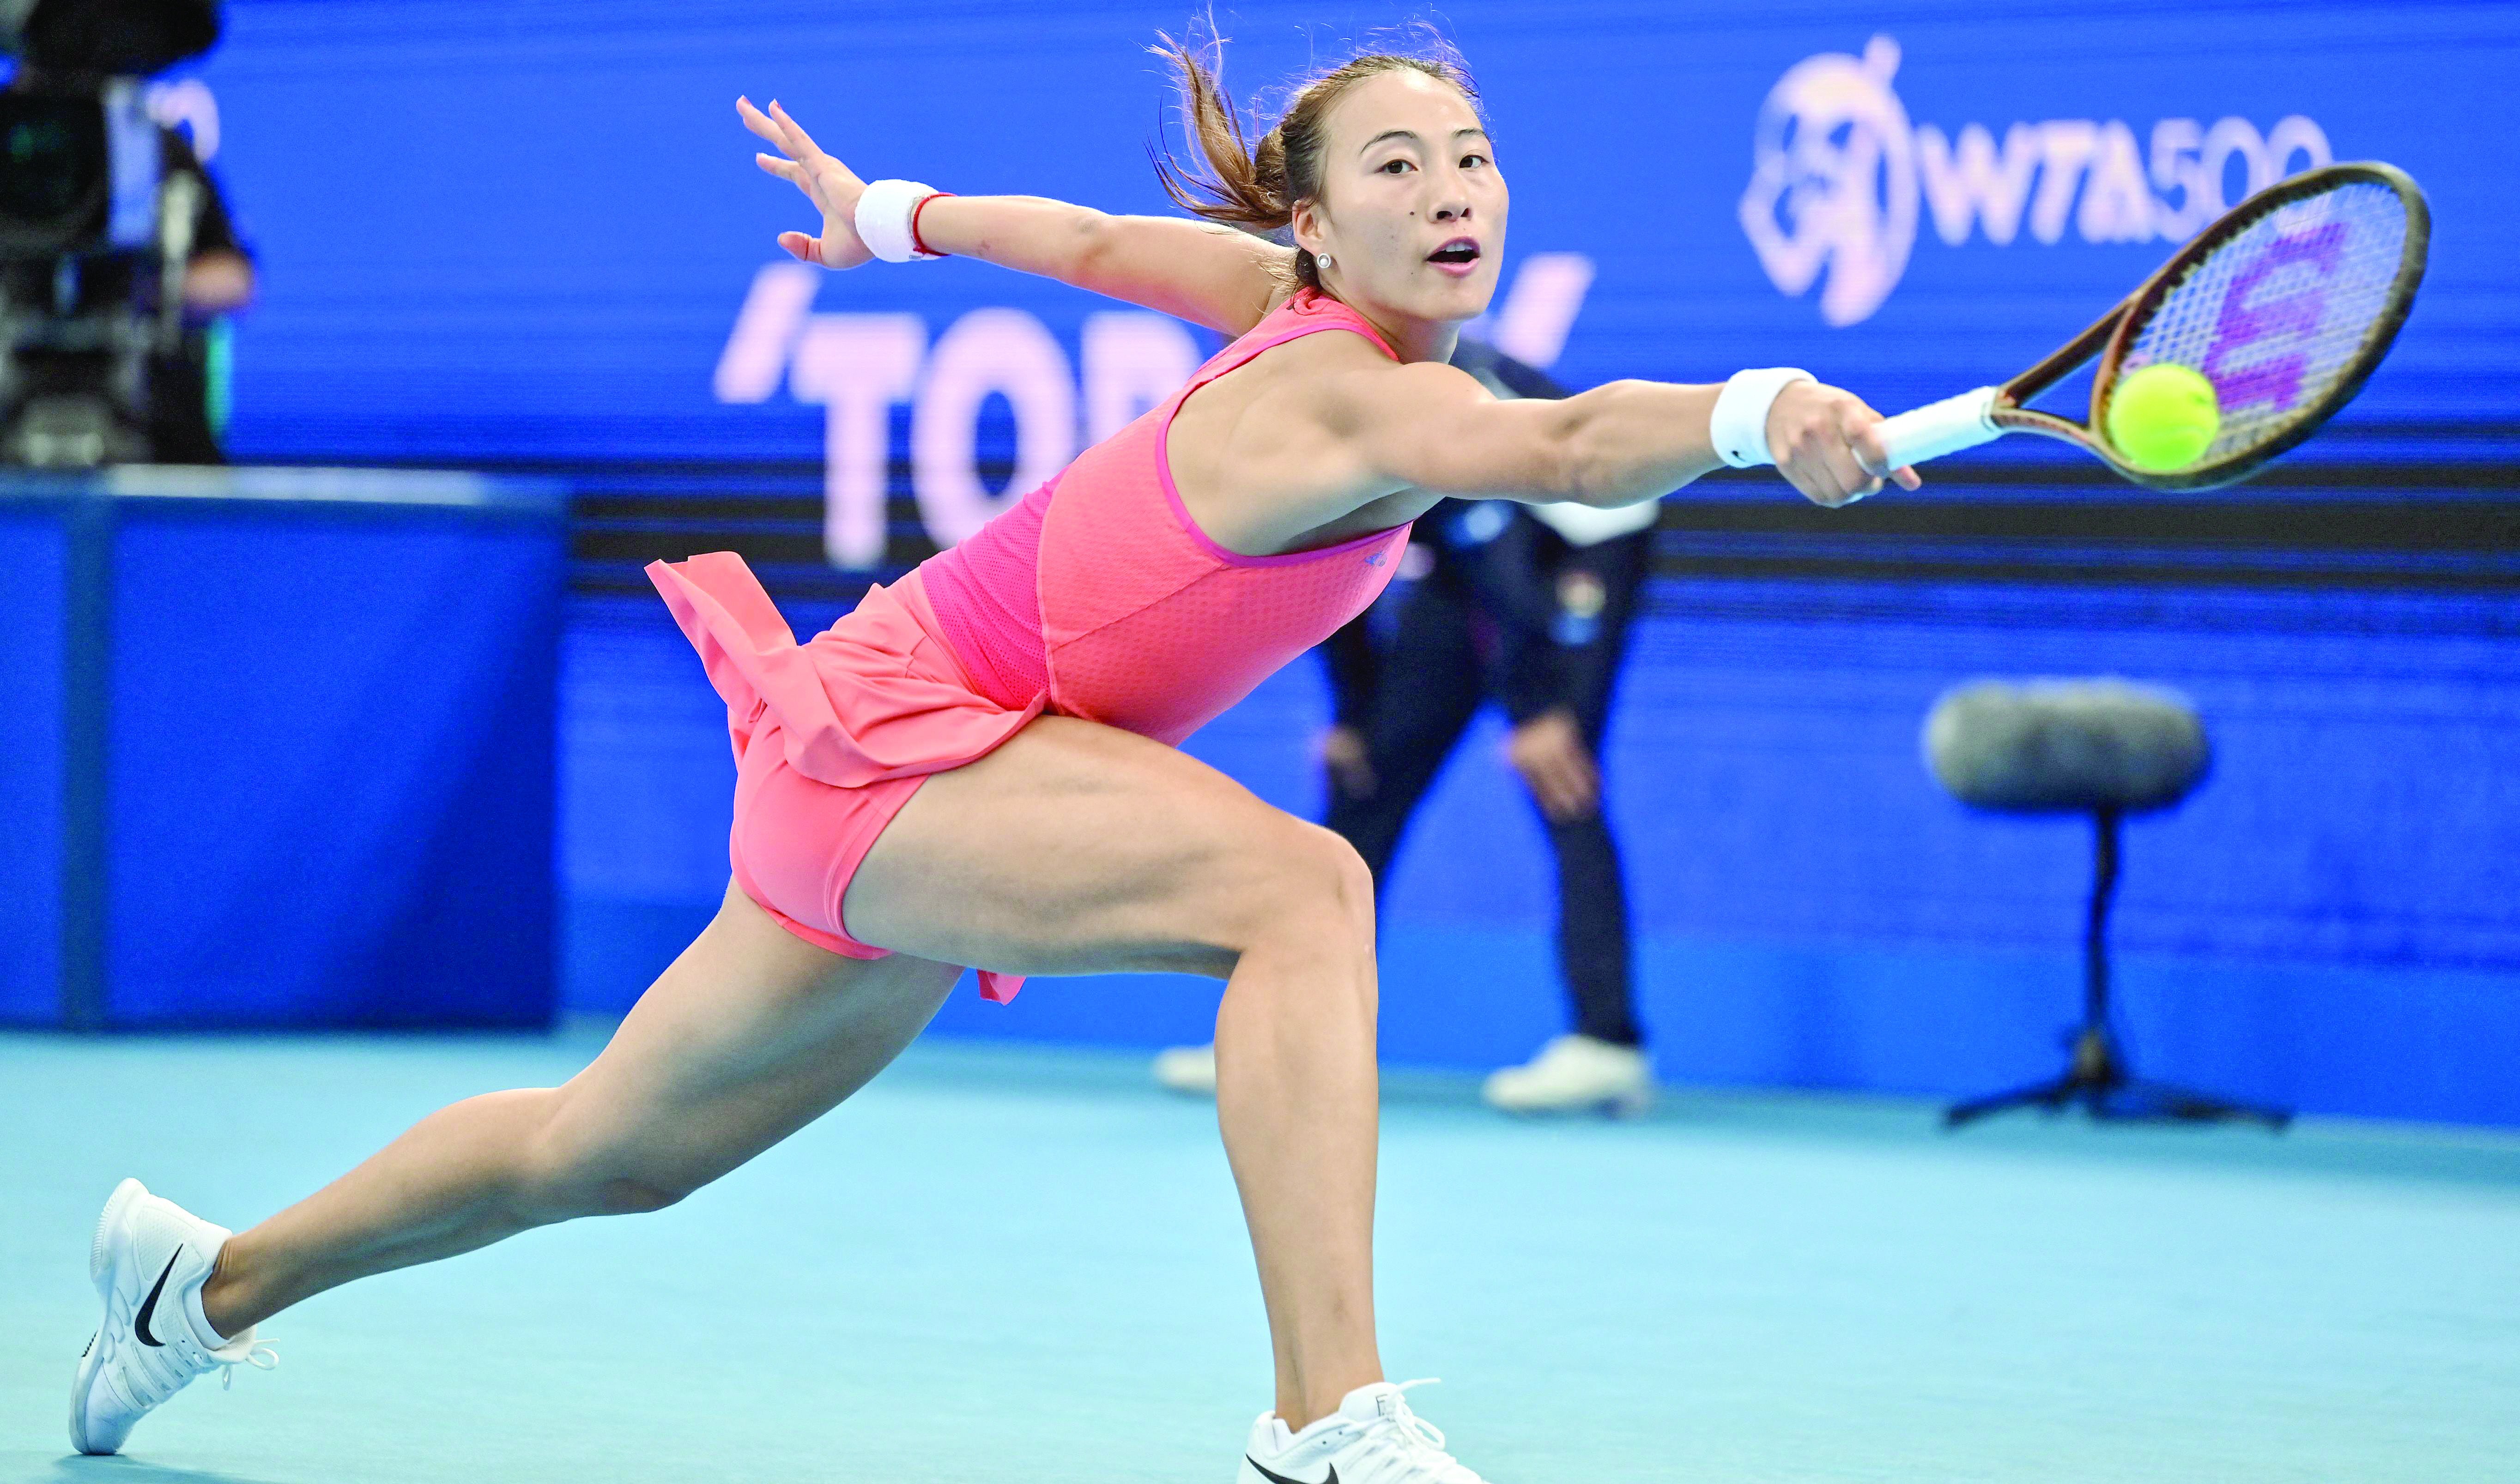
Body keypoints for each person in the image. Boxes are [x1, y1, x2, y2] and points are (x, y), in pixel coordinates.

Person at [67, 34, 1914, 1482]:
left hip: (926, 761)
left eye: (1472, 156)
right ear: (1316, 225)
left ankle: (196, 1280)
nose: (1451, 191)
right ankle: (1325, 1409)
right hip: (907, 749)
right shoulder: (1345, 381)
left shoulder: (1286, 303)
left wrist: (894, 216)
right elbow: (1574, 444)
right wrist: (1761, 410)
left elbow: (1093, 243)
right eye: (1397, 165)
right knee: (1305, 887)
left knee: (605, 1149)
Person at [1154, 340, 1662, 1115]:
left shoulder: (1412, 398)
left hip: (1582, 543)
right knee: (1367, 778)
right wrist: (1355, 717)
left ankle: (1609, 1044)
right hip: (1476, 567)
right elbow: (1324, 585)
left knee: (1562, 774)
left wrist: (1540, 710)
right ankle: (1292, 1041)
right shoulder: (1287, 441)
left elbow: (1507, 569)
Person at [5, 64, 254, 462]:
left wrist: (149, 291)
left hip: (156, 438)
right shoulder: (10, 142)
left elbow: (235, 282)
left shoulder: (153, 147)